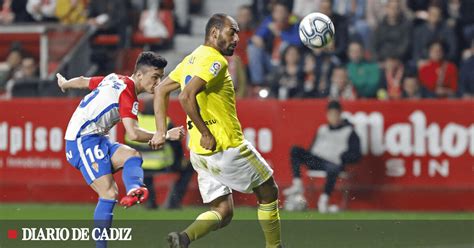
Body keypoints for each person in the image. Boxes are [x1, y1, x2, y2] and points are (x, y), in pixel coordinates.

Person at [151, 13, 283, 248]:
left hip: (200, 155)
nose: (237, 38)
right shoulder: (216, 61)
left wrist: (161, 131)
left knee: (223, 211)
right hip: (225, 146)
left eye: (238, 33)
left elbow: (161, 90)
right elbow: (186, 95)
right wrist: (205, 132)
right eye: (232, 32)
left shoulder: (191, 59)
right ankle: (274, 247)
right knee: (269, 191)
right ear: (214, 33)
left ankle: (183, 238)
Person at [58, 52, 184, 248]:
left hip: (97, 139)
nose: (158, 82)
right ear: (139, 75)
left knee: (133, 155)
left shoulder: (114, 78)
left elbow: (84, 81)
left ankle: (134, 188)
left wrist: (65, 84)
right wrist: (165, 135)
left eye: (160, 77)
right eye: (155, 77)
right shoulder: (128, 93)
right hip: (81, 142)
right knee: (109, 193)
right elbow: (132, 134)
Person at [283, 100, 361, 213]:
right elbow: (312, 149)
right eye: (330, 114)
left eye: (335, 114)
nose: (333, 117)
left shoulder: (349, 132)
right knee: (295, 150)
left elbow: (356, 155)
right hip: (318, 161)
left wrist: (343, 157)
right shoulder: (322, 129)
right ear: (327, 115)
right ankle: (297, 184)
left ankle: (324, 200)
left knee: (333, 168)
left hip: (333, 163)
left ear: (340, 114)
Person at [126, 112, 193, 209]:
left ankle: (150, 202)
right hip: (162, 164)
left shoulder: (134, 121)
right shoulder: (165, 121)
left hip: (140, 164)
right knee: (188, 167)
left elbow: (127, 141)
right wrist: (180, 160)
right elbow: (176, 145)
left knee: (145, 173)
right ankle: (174, 203)